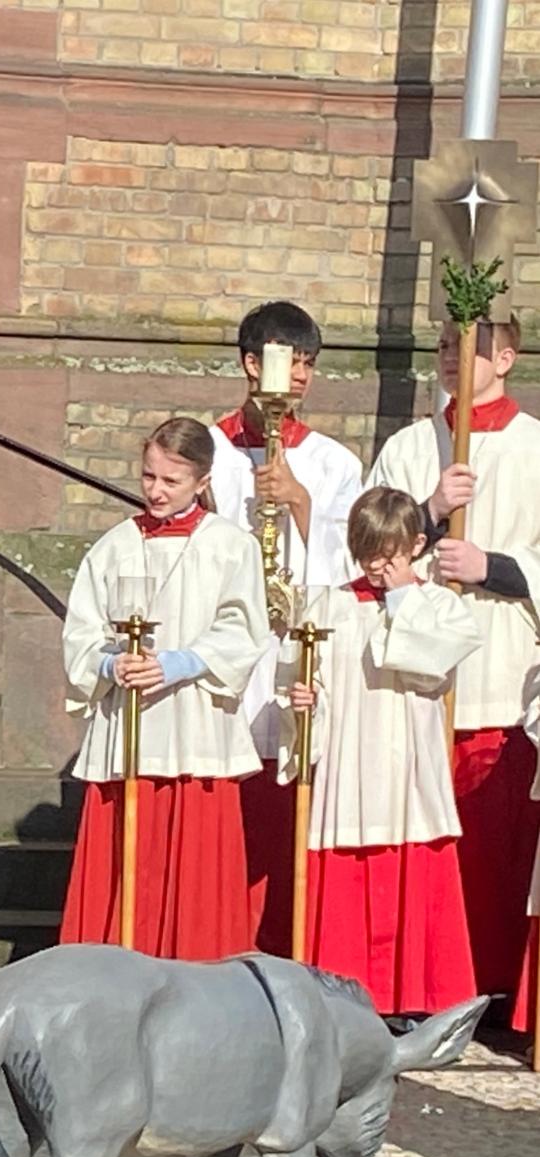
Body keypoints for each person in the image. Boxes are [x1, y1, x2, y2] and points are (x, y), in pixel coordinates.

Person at [367, 316, 540, 1007]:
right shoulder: (412, 447)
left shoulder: (535, 448)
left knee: (495, 847)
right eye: (440, 347)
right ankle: (430, 983)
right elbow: (369, 540)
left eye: (464, 350)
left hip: (501, 666)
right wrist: (432, 511)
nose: (447, 360)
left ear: (505, 356)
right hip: (423, 676)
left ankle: (493, 982)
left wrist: (494, 565)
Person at [60, 417, 269, 958]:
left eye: (171, 481)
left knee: (193, 866)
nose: (155, 490)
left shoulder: (229, 545)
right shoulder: (114, 546)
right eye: (149, 476)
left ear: (202, 481)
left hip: (193, 724)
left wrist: (181, 662)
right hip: (126, 729)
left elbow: (244, 627)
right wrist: (108, 667)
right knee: (126, 865)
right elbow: (81, 632)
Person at [282, 487, 479, 1020]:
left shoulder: (441, 605)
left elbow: (427, 664)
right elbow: (298, 680)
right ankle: (341, 999)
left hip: (407, 766)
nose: (376, 565)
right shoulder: (327, 606)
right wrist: (304, 702)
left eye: (389, 553)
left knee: (412, 871)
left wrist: (401, 599)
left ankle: (418, 998)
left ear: (416, 545)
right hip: (347, 763)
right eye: (367, 551)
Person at [208, 302, 361, 952]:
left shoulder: (334, 463)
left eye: (307, 363)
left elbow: (353, 567)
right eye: (285, 360)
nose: (298, 375)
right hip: (229, 653)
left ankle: (283, 947)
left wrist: (302, 503)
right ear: (250, 363)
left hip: (294, 651)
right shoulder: (205, 448)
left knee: (284, 807)